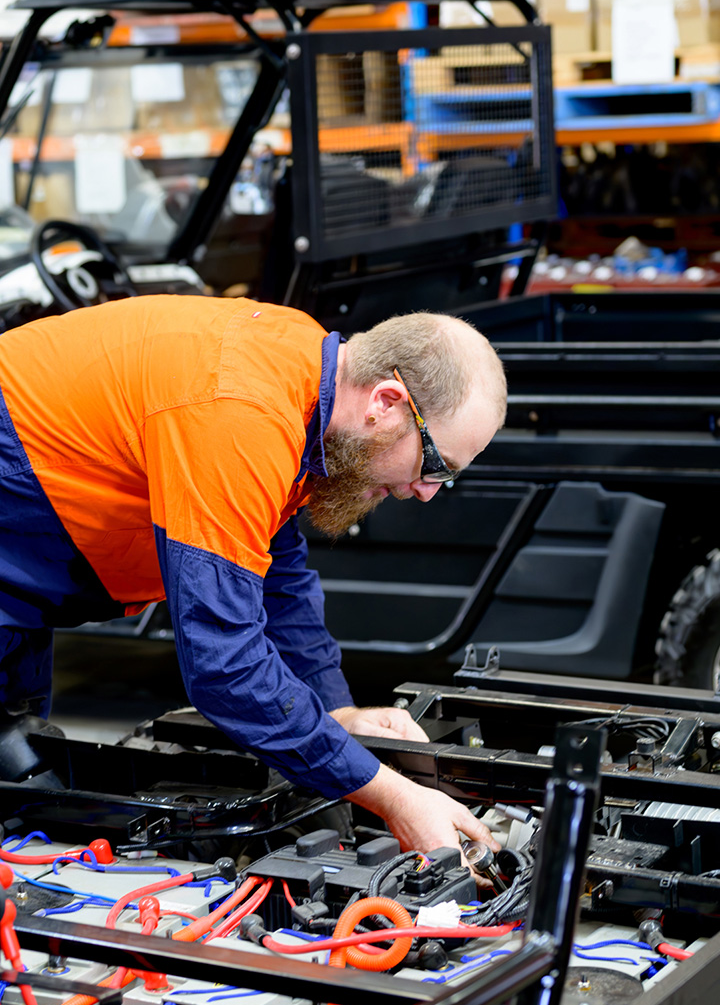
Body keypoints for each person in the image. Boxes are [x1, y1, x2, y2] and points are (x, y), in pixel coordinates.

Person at [0, 296, 506, 855]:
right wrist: (389, 794)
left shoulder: (306, 372)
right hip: (17, 538)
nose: (427, 492)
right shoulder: (241, 410)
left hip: (25, 571)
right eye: (436, 465)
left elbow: (277, 572)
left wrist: (337, 711)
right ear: (386, 402)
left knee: (21, 790)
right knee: (20, 797)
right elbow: (225, 665)